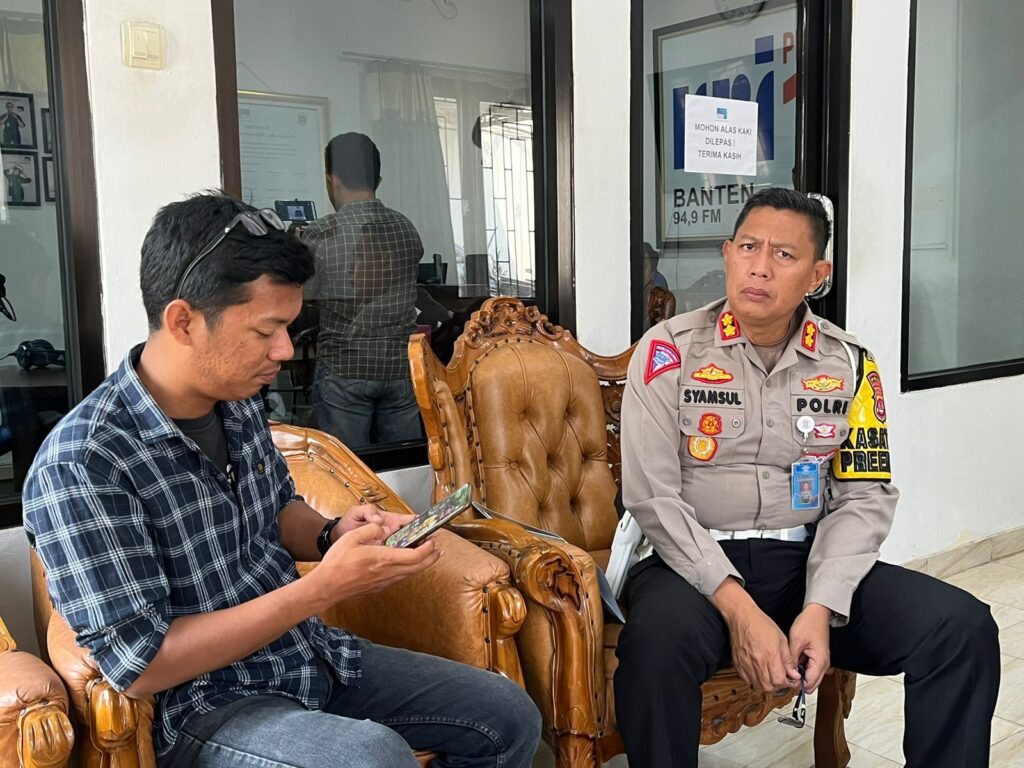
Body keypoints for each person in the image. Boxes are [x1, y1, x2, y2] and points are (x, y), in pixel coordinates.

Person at [22, 193, 541, 768]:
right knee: (370, 758)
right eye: (266, 329)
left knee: (507, 715)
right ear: (183, 321)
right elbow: (142, 664)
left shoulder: (236, 399)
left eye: (289, 327)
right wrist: (322, 589)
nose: (286, 351)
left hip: (303, 654)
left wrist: (333, 533)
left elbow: (277, 509)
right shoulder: (84, 463)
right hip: (203, 705)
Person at [614, 187, 1000, 768]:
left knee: (961, 628)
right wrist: (739, 608)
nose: (760, 267)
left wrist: (821, 605)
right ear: (727, 254)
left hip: (804, 563)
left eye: (784, 254)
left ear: (819, 274)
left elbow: (864, 496)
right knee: (654, 647)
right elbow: (652, 497)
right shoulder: (668, 351)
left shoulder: (850, 364)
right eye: (749, 247)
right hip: (689, 570)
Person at [303, 132, 424, 449]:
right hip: (400, 369)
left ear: (332, 180)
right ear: (378, 180)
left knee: (347, 467)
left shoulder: (322, 234)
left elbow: (303, 296)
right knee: (403, 464)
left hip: (344, 369)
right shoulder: (406, 228)